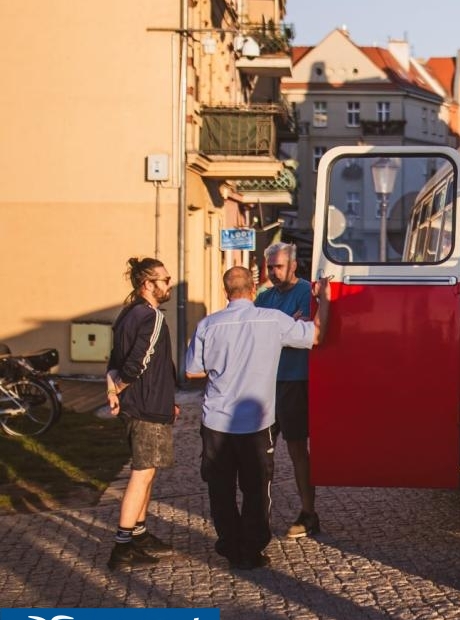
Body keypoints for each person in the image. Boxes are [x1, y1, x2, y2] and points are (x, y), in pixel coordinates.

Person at [185, 266, 329, 570]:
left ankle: (229, 545)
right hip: (256, 422)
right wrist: (324, 300)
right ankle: (251, 550)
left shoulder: (208, 325)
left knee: (220, 489)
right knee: (256, 489)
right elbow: (316, 335)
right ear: (253, 290)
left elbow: (192, 370)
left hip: (217, 422)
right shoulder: (273, 321)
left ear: (226, 293)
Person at [104, 257, 181, 571]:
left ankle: (139, 535)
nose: (168, 284)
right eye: (164, 279)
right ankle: (122, 548)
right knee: (142, 473)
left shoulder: (126, 314)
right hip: (145, 406)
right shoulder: (151, 317)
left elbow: (114, 359)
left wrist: (111, 387)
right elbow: (138, 362)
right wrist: (116, 388)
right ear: (147, 284)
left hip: (146, 404)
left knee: (147, 471)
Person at [255, 242, 320, 539]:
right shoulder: (263, 297)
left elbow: (307, 334)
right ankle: (257, 515)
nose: (273, 272)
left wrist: (283, 332)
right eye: (269, 267)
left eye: (278, 266)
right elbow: (255, 335)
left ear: (293, 266)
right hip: (264, 383)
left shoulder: (307, 293)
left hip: (294, 381)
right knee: (258, 452)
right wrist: (285, 329)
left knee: (296, 450)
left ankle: (309, 513)